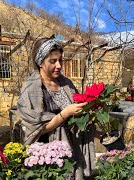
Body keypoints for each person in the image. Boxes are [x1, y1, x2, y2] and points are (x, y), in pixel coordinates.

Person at [17, 37, 96, 179]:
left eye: (60, 60)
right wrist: (65, 113)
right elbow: (37, 129)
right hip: (48, 155)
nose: (59, 65)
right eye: (53, 61)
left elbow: (78, 107)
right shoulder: (31, 89)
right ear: (40, 62)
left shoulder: (66, 83)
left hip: (72, 146)